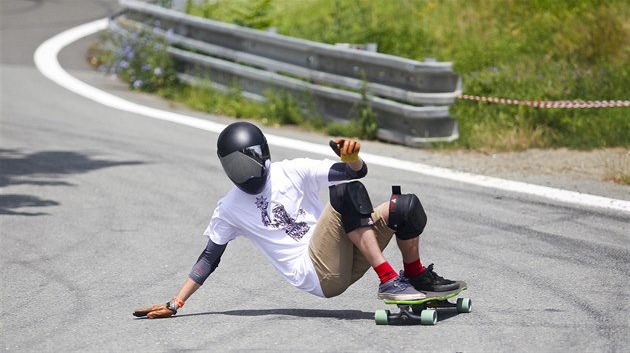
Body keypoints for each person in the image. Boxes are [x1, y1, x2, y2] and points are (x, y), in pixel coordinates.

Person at [133, 121, 459, 319]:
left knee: (404, 206)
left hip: (345, 250)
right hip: (317, 273)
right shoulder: (229, 207)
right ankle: (389, 280)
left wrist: (352, 158)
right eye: (236, 168)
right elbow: (209, 257)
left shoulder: (292, 170)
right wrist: (176, 302)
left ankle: (415, 277)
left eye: (248, 164)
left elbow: (353, 171)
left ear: (264, 155)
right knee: (346, 194)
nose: (244, 174)